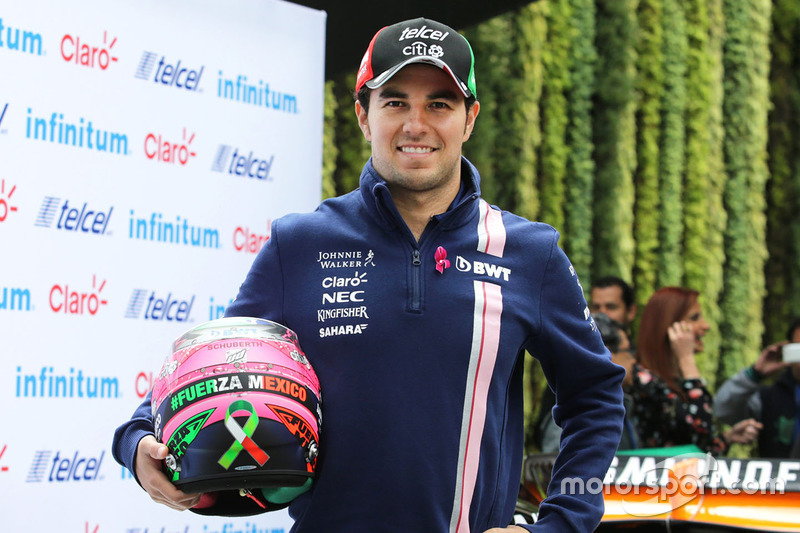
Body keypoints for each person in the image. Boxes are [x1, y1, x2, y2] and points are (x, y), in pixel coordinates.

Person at [112, 17, 625, 532]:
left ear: (469, 119)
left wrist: (563, 521)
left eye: (439, 104)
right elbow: (210, 369)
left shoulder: (529, 253)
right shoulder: (301, 243)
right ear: (363, 115)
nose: (415, 125)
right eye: (395, 102)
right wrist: (137, 442)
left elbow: (595, 396)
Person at [630, 286, 759, 454]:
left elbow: (698, 447)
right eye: (694, 318)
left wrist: (728, 437)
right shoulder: (644, 380)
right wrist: (686, 359)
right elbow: (701, 428)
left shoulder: (677, 380)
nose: (706, 326)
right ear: (669, 326)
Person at [534, 313, 639, 453]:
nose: (633, 360)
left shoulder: (618, 404)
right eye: (628, 351)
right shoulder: (573, 412)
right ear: (607, 353)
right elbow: (558, 468)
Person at [714, 317, 800, 458]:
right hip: (780, 477)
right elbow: (723, 410)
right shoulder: (770, 397)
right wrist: (754, 374)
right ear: (789, 351)